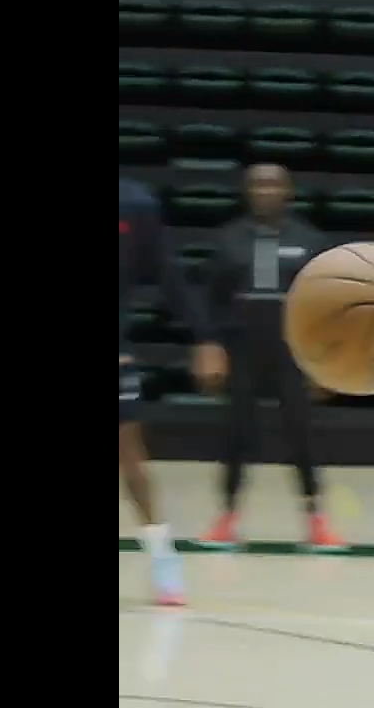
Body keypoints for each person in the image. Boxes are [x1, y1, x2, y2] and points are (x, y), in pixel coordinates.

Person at [196, 164, 345, 551]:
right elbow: (210, 300)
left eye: (273, 183)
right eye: (258, 184)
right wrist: (210, 345)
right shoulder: (229, 240)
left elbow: (328, 305)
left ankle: (316, 520)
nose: (265, 190)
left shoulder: (310, 240)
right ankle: (227, 519)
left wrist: (326, 360)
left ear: (288, 190)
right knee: (237, 434)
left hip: (292, 352)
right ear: (247, 191)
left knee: (301, 435)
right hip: (243, 349)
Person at [119, 178, 228, 605]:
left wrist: (205, 338)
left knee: (130, 458)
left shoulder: (134, 203)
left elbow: (169, 275)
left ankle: (164, 558)